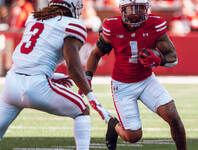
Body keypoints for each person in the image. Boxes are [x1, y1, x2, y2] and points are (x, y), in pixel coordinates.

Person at [0, 0, 110, 150]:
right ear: (72, 7)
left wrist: (51, 76)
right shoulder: (71, 25)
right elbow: (73, 66)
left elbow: (32, 56)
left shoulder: (35, 18)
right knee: (82, 109)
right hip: (36, 86)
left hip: (11, 83)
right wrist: (92, 97)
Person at [80, 0, 187, 149]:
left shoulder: (155, 24)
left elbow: (172, 56)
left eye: (139, 8)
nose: (135, 13)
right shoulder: (112, 26)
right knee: (133, 136)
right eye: (130, 9)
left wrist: (160, 60)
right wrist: (88, 77)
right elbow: (95, 54)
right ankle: (113, 125)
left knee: (174, 117)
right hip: (123, 85)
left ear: (146, 9)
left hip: (147, 81)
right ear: (122, 10)